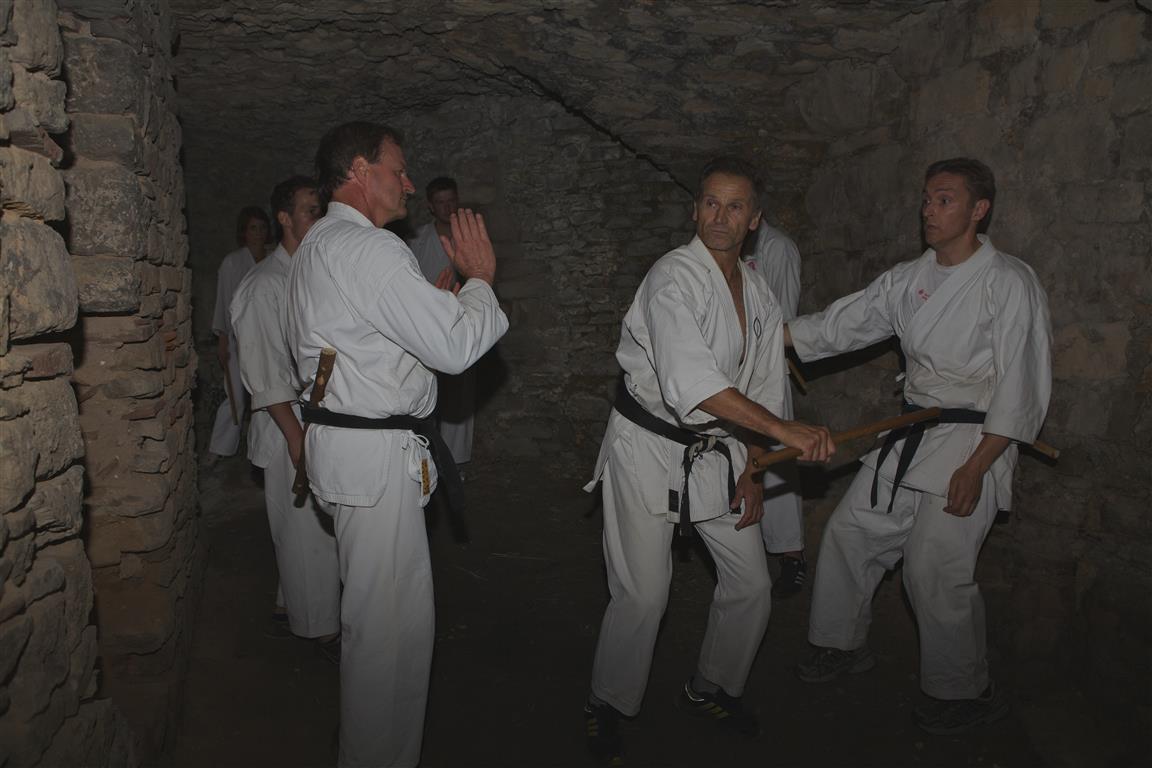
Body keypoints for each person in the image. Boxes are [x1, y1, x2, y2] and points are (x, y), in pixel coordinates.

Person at [582, 156, 835, 765]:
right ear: (695, 209)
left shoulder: (758, 292)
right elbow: (691, 384)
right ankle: (607, 703)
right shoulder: (672, 277)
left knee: (751, 585)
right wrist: (782, 431)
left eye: (735, 206)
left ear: (755, 220)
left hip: (718, 452)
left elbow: (763, 383)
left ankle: (711, 687)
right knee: (644, 595)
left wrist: (755, 466)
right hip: (647, 449)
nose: (721, 217)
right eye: (711, 203)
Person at [788, 158, 1052, 736]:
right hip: (913, 431)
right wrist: (774, 336)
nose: (929, 210)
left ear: (979, 209)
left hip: (972, 438)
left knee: (934, 565)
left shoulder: (1008, 281)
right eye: (927, 199)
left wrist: (978, 467)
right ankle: (840, 643)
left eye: (944, 199)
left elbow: (1021, 385)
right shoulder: (910, 278)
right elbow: (845, 322)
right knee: (851, 531)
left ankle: (966, 693)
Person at [286, 121, 508, 768]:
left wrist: (423, 316)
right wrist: (481, 280)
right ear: (361, 170)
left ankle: (377, 746)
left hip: (351, 454)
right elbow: (457, 347)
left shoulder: (321, 243)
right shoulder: (368, 248)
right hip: (374, 462)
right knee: (386, 633)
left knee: (392, 618)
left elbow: (358, 344)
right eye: (399, 169)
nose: (409, 183)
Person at [230, 176, 340, 653]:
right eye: (310, 211)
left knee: (307, 530)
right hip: (285, 425)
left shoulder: (309, 275)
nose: (319, 219)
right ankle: (321, 630)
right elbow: (266, 372)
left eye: (321, 210)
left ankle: (287, 605)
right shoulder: (264, 285)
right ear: (284, 218)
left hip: (314, 416)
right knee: (306, 535)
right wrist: (297, 440)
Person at [744, 223, 808, 598]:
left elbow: (784, 314)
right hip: (733, 370)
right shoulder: (729, 247)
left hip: (767, 368)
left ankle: (791, 554)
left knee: (777, 460)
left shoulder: (778, 248)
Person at [408, 177, 478, 471]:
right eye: (440, 202)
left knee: (458, 394)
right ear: (430, 206)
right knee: (423, 392)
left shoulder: (469, 239)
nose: (447, 208)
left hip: (459, 322)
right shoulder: (417, 241)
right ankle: (426, 460)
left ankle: (456, 465)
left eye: (451, 201)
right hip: (424, 326)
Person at [206, 206, 270, 465]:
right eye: (253, 228)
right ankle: (219, 447)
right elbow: (224, 303)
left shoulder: (273, 259)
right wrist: (223, 340)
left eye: (262, 228)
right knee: (235, 396)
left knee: (267, 395)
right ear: (244, 232)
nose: (258, 233)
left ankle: (264, 447)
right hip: (237, 337)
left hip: (268, 336)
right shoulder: (232, 262)